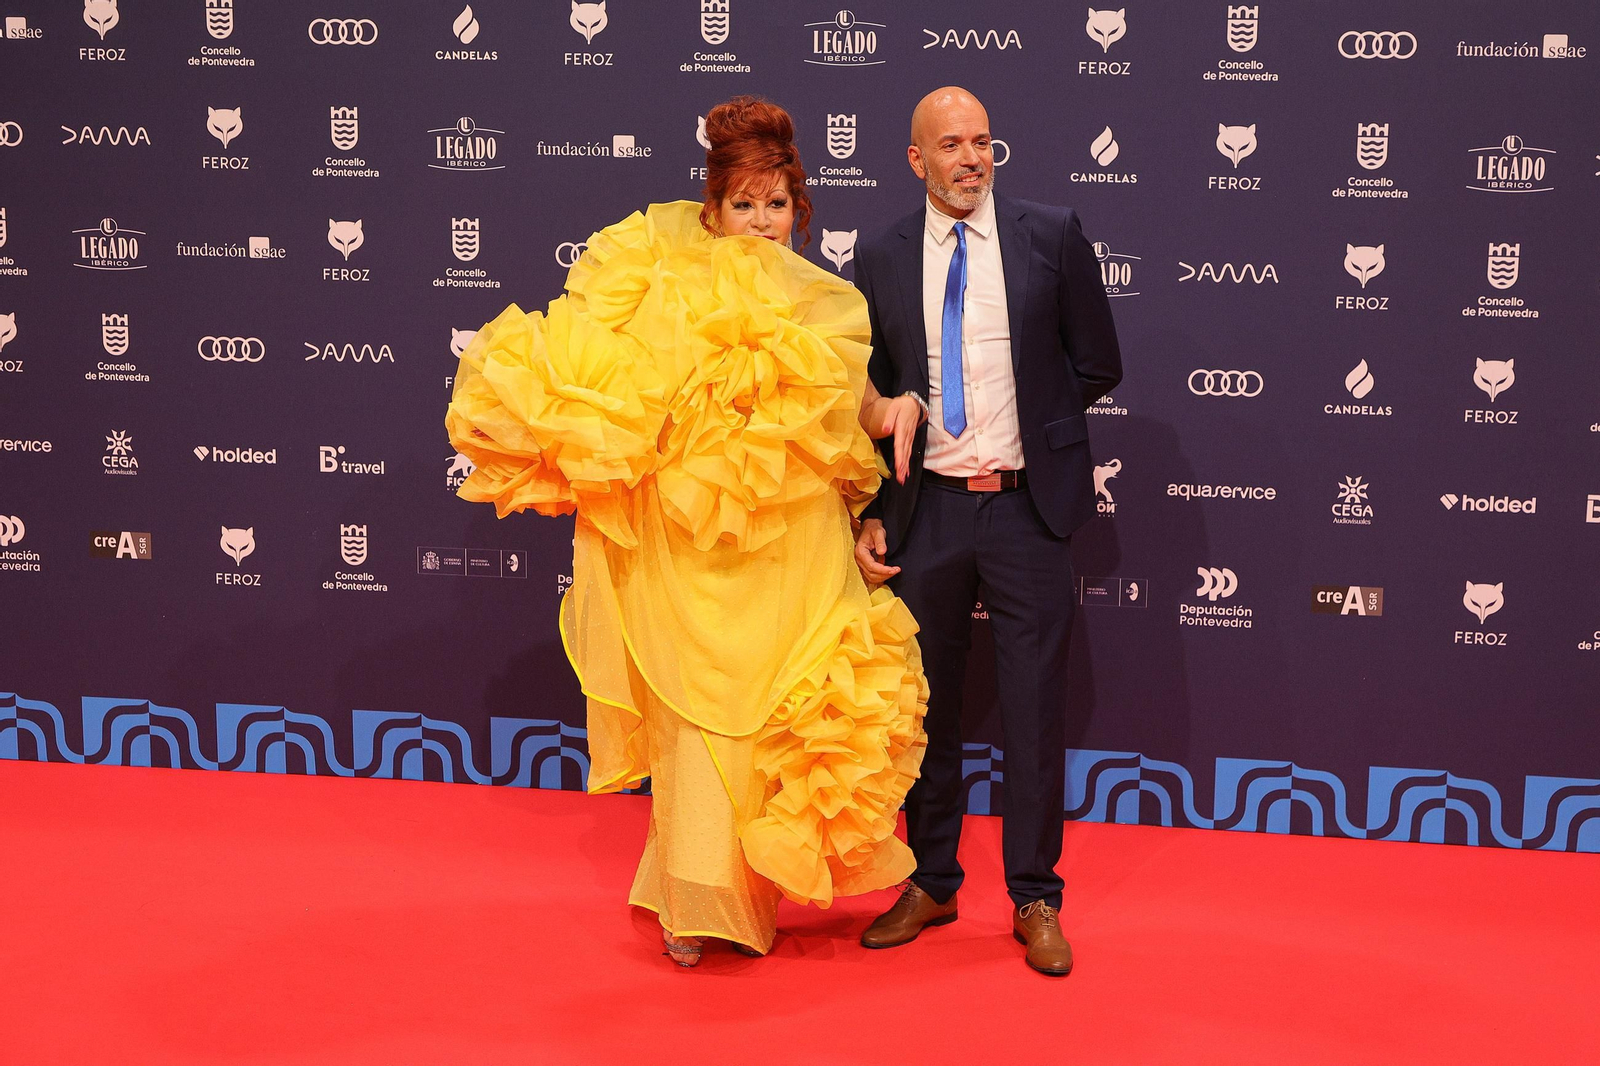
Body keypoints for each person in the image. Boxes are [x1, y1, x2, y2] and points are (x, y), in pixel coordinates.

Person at [446, 96, 930, 967]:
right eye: (743, 204)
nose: (760, 222)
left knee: (774, 722)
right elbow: (601, 386)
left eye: (776, 203)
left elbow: (845, 406)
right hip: (689, 544)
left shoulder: (828, 299)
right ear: (712, 208)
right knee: (696, 725)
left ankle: (748, 894)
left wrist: (888, 409)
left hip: (794, 545)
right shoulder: (656, 274)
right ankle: (688, 900)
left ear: (799, 207)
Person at [851, 87, 1123, 976]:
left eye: (983, 143)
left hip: (1025, 510)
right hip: (924, 509)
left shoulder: (1051, 233)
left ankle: (1036, 895)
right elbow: (871, 389)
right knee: (924, 706)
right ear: (915, 160)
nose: (972, 159)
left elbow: (1097, 363)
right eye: (952, 146)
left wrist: (1035, 431)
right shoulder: (882, 256)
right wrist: (873, 511)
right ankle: (932, 880)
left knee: (1034, 712)